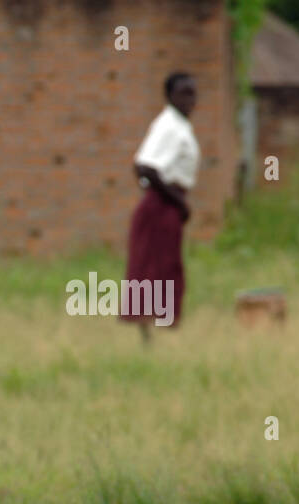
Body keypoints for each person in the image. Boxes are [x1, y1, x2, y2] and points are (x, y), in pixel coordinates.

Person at [124, 72, 199, 340]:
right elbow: (145, 166)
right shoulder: (168, 125)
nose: (190, 99)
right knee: (154, 267)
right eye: (183, 93)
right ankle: (150, 334)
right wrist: (179, 202)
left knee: (167, 267)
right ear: (169, 96)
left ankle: (162, 331)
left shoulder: (181, 126)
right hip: (162, 204)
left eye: (192, 93)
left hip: (167, 203)